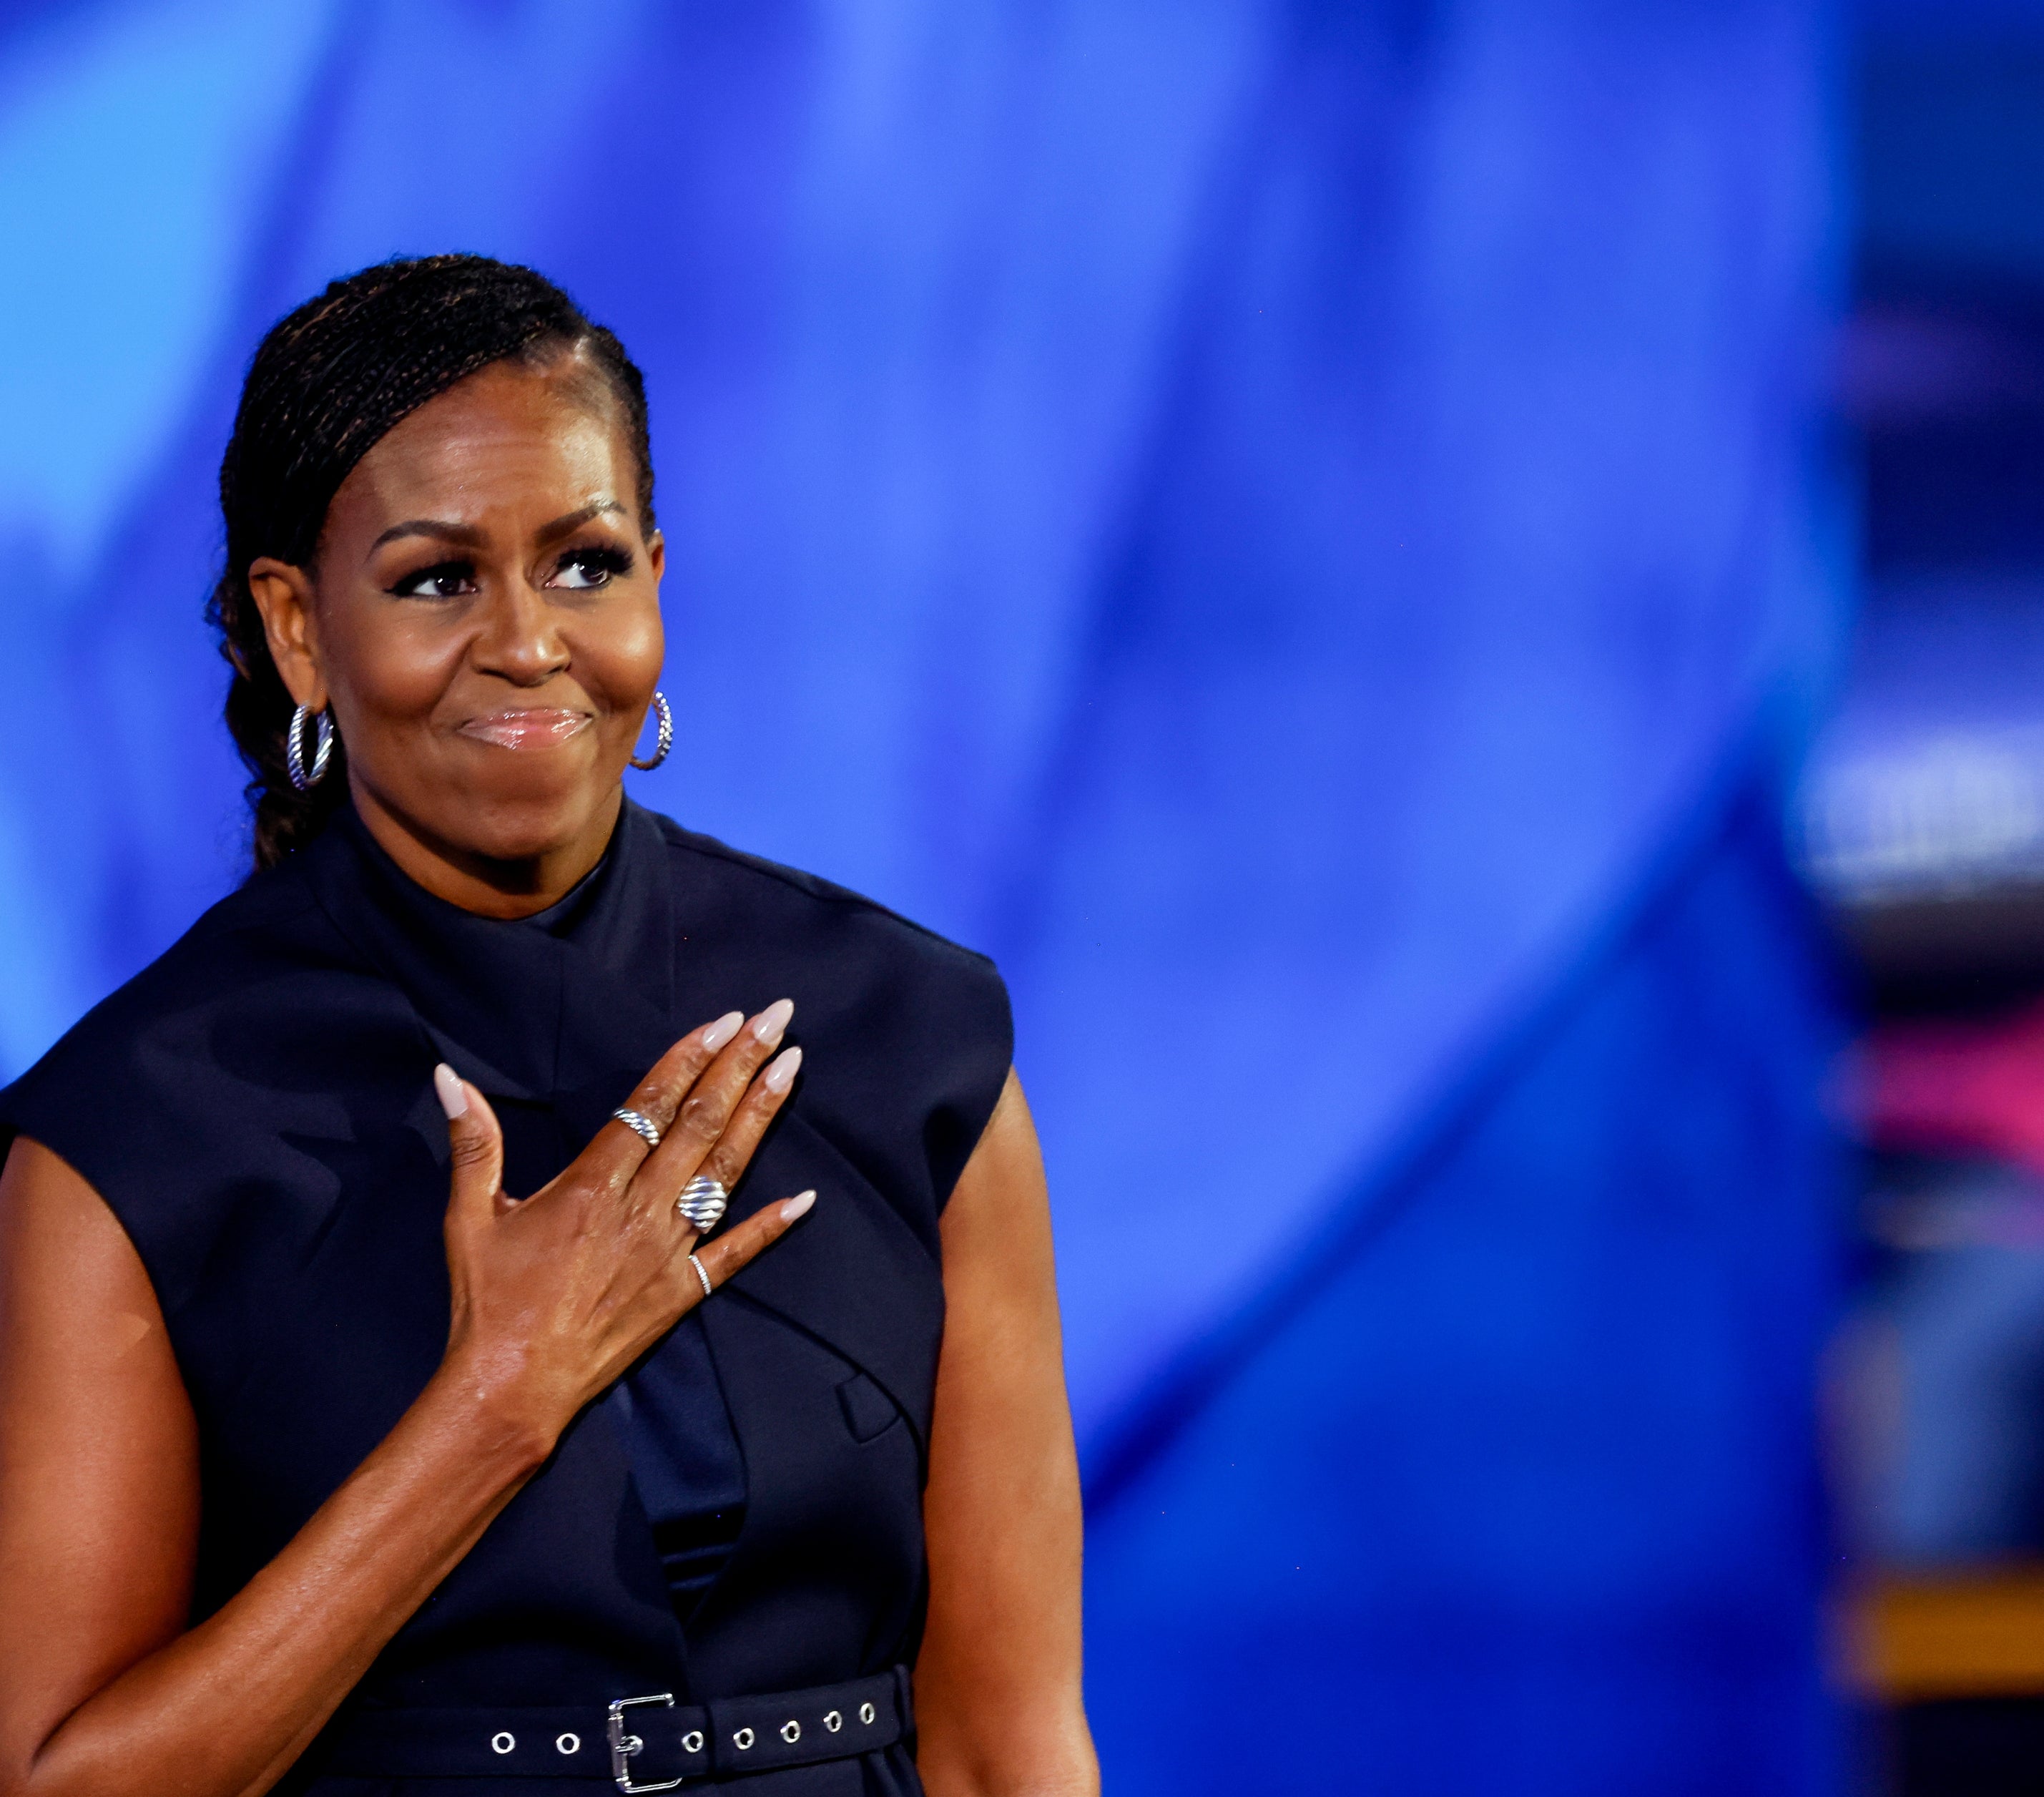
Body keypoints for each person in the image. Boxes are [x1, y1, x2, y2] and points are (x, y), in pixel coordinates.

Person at [0, 255, 1096, 1797]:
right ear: (299, 628)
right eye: (437, 577)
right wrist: (495, 1405)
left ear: (656, 575)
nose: (527, 642)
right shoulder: (134, 1132)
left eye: (584, 562)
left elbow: (1009, 1740)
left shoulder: (906, 1037)